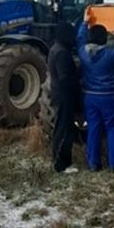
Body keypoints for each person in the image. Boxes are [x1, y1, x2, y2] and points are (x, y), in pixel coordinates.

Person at [77, 20, 114, 172]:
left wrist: (84, 24)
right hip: (109, 96)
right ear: (104, 39)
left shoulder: (83, 53)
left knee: (93, 128)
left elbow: (80, 39)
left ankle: (93, 163)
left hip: (90, 96)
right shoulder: (110, 55)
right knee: (112, 128)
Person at [47, 21, 79, 174]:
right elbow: (65, 77)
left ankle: (62, 161)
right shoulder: (62, 53)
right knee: (63, 129)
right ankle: (61, 164)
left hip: (58, 94)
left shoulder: (55, 49)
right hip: (64, 96)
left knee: (64, 128)